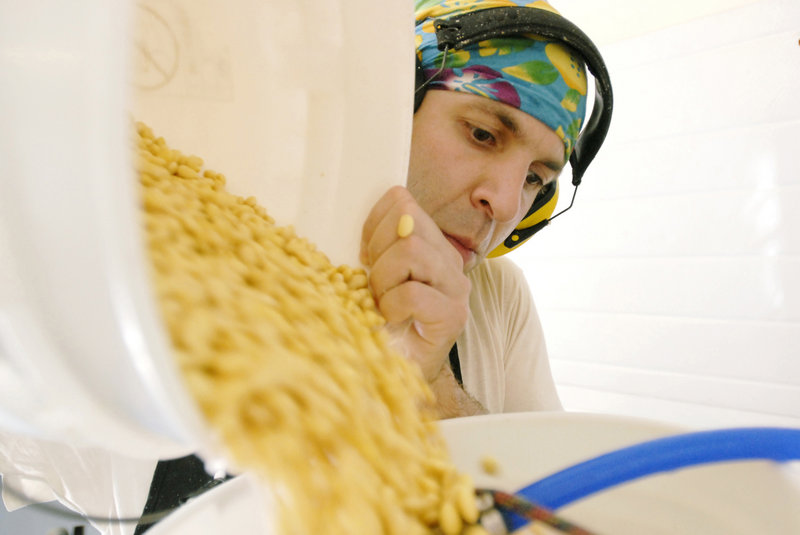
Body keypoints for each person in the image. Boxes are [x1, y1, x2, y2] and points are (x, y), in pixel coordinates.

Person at [359, 0, 598, 418]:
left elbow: (541, 479)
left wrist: (433, 386)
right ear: (397, 106)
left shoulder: (502, 294)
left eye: (533, 179)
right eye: (483, 134)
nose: (506, 206)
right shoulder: (261, 251)